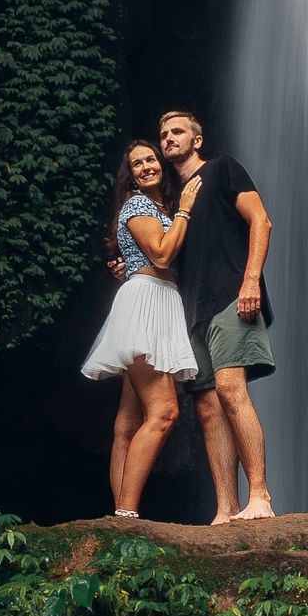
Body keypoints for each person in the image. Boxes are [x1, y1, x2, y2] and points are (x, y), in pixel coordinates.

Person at [156, 108, 275, 523]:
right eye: (164, 134)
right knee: (206, 408)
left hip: (231, 296)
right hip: (192, 309)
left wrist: (251, 281)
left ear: (197, 139)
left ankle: (259, 495)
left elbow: (261, 220)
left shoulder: (223, 170)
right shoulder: (172, 200)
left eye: (177, 131)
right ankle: (225, 508)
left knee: (230, 387)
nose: (169, 138)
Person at [80, 140, 202, 517]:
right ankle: (127, 514)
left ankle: (120, 512)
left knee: (128, 422)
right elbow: (162, 254)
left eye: (151, 159)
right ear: (129, 174)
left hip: (159, 299)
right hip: (146, 301)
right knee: (164, 413)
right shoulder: (139, 205)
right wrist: (184, 210)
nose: (147, 166)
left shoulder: (157, 207)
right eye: (138, 163)